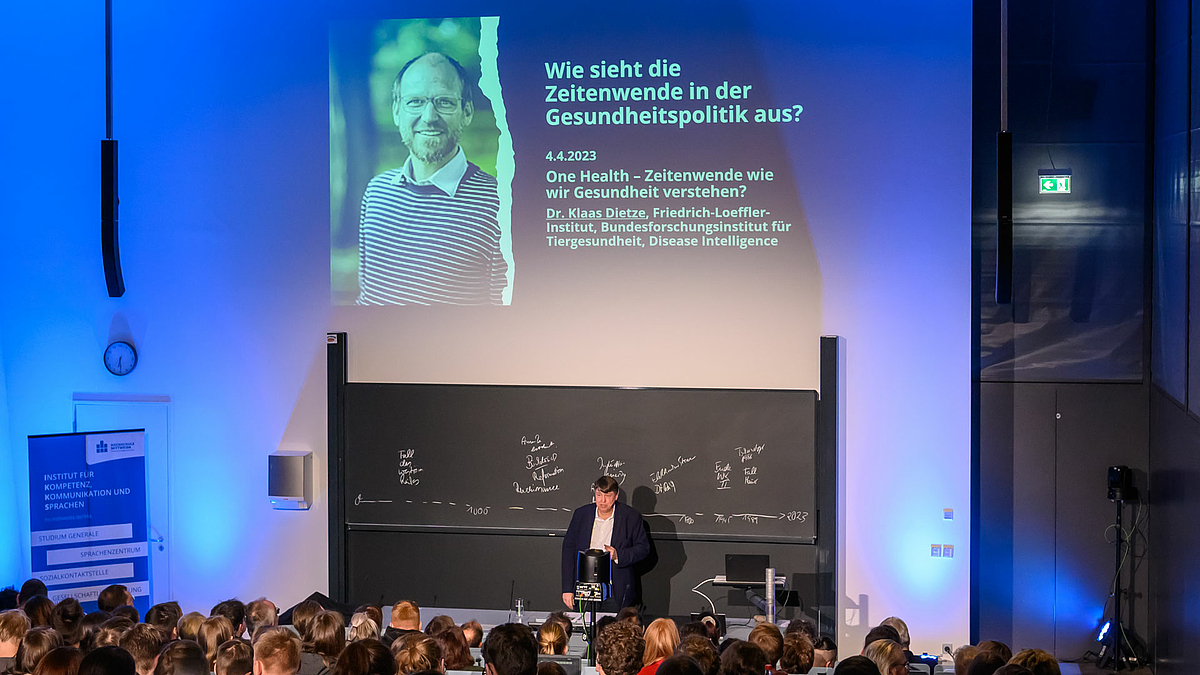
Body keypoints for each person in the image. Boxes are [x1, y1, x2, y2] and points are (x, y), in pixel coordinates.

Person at [357, 52, 506, 306]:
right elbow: (367, 299)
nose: (429, 116)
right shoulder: (376, 192)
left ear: (466, 112)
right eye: (415, 101)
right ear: (396, 111)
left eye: (444, 102)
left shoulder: (499, 206)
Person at [561, 477, 651, 610]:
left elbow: (643, 548)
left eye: (608, 496)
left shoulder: (630, 517)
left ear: (616, 496)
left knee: (613, 629)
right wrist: (567, 589)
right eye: (599, 495)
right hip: (585, 586)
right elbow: (569, 550)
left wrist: (618, 555)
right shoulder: (581, 514)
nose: (602, 501)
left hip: (615, 589)